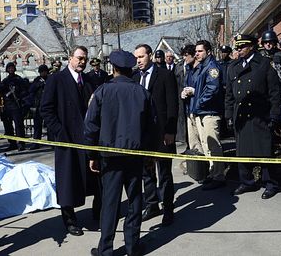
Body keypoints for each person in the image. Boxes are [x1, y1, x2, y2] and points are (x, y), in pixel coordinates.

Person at [85, 50, 153, 256]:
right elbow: (151, 127)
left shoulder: (102, 91)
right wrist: (149, 155)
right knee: (134, 200)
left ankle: (105, 248)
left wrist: (92, 155)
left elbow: (90, 126)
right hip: (135, 155)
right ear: (130, 69)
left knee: (110, 202)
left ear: (113, 69)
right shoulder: (142, 93)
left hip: (109, 156)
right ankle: (133, 246)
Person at [40, 46, 101, 236]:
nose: (82, 62)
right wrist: (59, 131)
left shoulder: (90, 81)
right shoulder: (56, 80)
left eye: (84, 59)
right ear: (70, 58)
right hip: (67, 139)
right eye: (79, 58)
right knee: (68, 182)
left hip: (88, 139)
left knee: (96, 178)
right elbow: (46, 109)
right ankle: (69, 220)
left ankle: (98, 213)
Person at [225, 34, 281, 199]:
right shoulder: (233, 66)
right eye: (238, 47)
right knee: (242, 151)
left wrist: (274, 115)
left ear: (251, 46)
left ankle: (270, 183)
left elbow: (274, 93)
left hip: (259, 114)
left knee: (264, 150)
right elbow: (229, 94)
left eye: (242, 46)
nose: (239, 49)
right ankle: (247, 182)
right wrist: (229, 114)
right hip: (241, 115)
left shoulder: (264, 64)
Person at [133, 44, 178, 226]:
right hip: (143, 136)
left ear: (150, 56)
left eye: (141, 57)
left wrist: (170, 131)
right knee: (147, 172)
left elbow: (173, 105)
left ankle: (168, 208)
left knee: (165, 173)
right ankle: (152, 205)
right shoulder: (135, 77)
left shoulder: (165, 75)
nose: (138, 60)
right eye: (136, 57)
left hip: (162, 134)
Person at [181, 40, 226, 190]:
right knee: (205, 144)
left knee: (213, 144)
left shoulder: (211, 67)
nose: (197, 54)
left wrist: (198, 101)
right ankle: (211, 173)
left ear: (208, 51)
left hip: (210, 111)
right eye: (196, 51)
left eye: (200, 51)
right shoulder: (200, 67)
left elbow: (212, 89)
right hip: (201, 111)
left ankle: (218, 175)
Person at [0, 62, 28, 151]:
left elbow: (25, 91)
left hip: (16, 106)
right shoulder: (5, 80)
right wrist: (2, 86)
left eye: (12, 68)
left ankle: (21, 143)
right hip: (7, 106)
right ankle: (12, 143)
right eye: (9, 68)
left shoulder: (19, 79)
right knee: (8, 126)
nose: (10, 69)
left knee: (19, 126)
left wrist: (19, 94)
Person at [174, 44, 195, 144]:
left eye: (186, 55)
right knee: (182, 118)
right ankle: (185, 141)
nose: (184, 57)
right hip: (180, 95)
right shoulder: (178, 66)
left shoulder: (194, 67)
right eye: (183, 55)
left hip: (192, 97)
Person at [27, 64, 49, 150]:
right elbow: (31, 90)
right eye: (42, 72)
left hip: (48, 105)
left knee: (50, 126)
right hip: (38, 105)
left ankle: (52, 141)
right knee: (37, 126)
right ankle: (36, 143)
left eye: (45, 71)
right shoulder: (37, 80)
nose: (43, 73)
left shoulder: (50, 79)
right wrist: (39, 84)